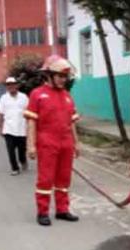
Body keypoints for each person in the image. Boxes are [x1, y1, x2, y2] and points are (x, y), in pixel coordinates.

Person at [24, 55, 81, 226]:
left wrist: (76, 143)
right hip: (47, 142)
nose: (63, 80)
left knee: (64, 178)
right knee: (46, 179)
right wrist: (30, 145)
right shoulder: (37, 94)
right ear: (48, 75)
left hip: (66, 143)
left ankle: (62, 210)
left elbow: (72, 122)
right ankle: (42, 212)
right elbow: (31, 121)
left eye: (65, 77)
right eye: (60, 76)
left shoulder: (67, 95)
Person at [0, 77, 29, 175]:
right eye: (8, 85)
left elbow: (29, 112)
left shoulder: (24, 97)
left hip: (22, 129)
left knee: (22, 150)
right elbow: (1, 114)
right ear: (6, 87)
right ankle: (14, 168)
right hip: (8, 129)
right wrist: (1, 128)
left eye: (13, 84)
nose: (11, 86)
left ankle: (23, 160)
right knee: (10, 150)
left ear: (17, 85)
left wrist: (30, 127)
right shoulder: (3, 98)